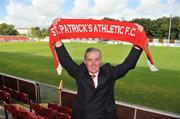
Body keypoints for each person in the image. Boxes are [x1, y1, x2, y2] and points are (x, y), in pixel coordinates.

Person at [53, 18, 143, 119]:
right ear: (85, 61)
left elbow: (127, 64)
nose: (93, 63)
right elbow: (66, 61)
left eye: (96, 59)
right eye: (90, 60)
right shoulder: (80, 72)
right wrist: (56, 31)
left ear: (100, 60)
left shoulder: (109, 72)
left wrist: (138, 38)